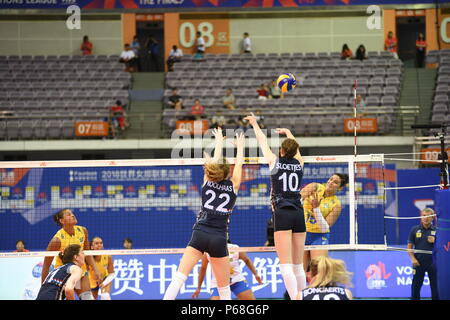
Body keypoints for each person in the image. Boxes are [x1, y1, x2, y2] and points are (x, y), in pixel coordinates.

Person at [163, 128, 245, 300]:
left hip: (200, 233)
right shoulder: (233, 185)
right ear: (227, 172)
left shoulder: (207, 181)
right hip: (219, 237)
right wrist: (241, 147)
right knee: (224, 290)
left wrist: (219, 142)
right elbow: (239, 164)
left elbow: (215, 163)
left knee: (178, 278)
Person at [243, 115, 307, 300]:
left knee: (286, 265)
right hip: (298, 212)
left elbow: (262, 141)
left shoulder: (274, 161)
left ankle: (296, 297)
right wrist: (288, 133)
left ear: (281, 150)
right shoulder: (300, 164)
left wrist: (255, 123)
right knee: (298, 265)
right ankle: (305, 296)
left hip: (282, 212)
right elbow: (297, 151)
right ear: (294, 151)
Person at [41, 209, 101, 300]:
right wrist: (43, 286)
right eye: (68, 215)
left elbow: (87, 253)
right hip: (64, 275)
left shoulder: (83, 231)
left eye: (72, 213)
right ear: (62, 221)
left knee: (88, 298)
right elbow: (46, 265)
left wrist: (95, 269)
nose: (72, 215)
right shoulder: (57, 240)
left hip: (80, 272)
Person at [301, 173, 348, 275]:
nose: (330, 183)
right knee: (300, 271)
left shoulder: (336, 204)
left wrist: (316, 209)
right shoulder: (315, 187)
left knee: (318, 271)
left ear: (340, 188)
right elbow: (297, 200)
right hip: (303, 234)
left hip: (319, 236)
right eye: (330, 179)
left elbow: (324, 228)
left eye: (335, 182)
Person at [192, 239, 263, 300]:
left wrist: (256, 275)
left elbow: (247, 260)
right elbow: (203, 268)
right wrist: (199, 287)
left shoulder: (235, 248)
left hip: (236, 281)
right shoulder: (208, 252)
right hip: (218, 284)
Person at [407, 208, 439, 300]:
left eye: (428, 216)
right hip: (418, 263)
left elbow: (444, 247)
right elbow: (409, 247)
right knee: (415, 287)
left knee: (435, 288)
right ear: (421, 216)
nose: (425, 218)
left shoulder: (438, 230)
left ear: (432, 217)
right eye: (424, 215)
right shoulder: (414, 229)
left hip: (433, 263)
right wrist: (413, 259)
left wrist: (435, 241)